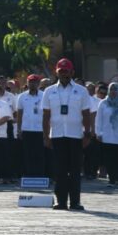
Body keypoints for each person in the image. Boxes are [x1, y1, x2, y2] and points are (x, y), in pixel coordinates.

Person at [42, 58, 91, 211]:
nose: (64, 74)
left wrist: (87, 134)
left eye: (66, 71)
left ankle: (75, 202)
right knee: (59, 170)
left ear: (72, 72)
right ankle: (61, 201)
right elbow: (46, 115)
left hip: (76, 135)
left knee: (75, 170)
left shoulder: (81, 91)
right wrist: (46, 136)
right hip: (57, 135)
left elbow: (86, 113)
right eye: (61, 71)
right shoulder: (49, 91)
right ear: (56, 72)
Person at [95, 83, 118, 187]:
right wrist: (98, 132)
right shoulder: (103, 103)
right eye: (111, 90)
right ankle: (112, 180)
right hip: (108, 135)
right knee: (109, 159)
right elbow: (99, 119)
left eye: (115, 90)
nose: (113, 92)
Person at [17, 74, 45, 177]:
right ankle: (28, 174)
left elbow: (47, 113)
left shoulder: (44, 95)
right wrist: (19, 129)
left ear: (38, 83)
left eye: (35, 82)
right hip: (27, 129)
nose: (32, 84)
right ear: (27, 83)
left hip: (40, 129)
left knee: (40, 153)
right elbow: (20, 114)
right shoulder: (22, 96)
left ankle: (39, 174)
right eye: (30, 82)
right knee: (27, 153)